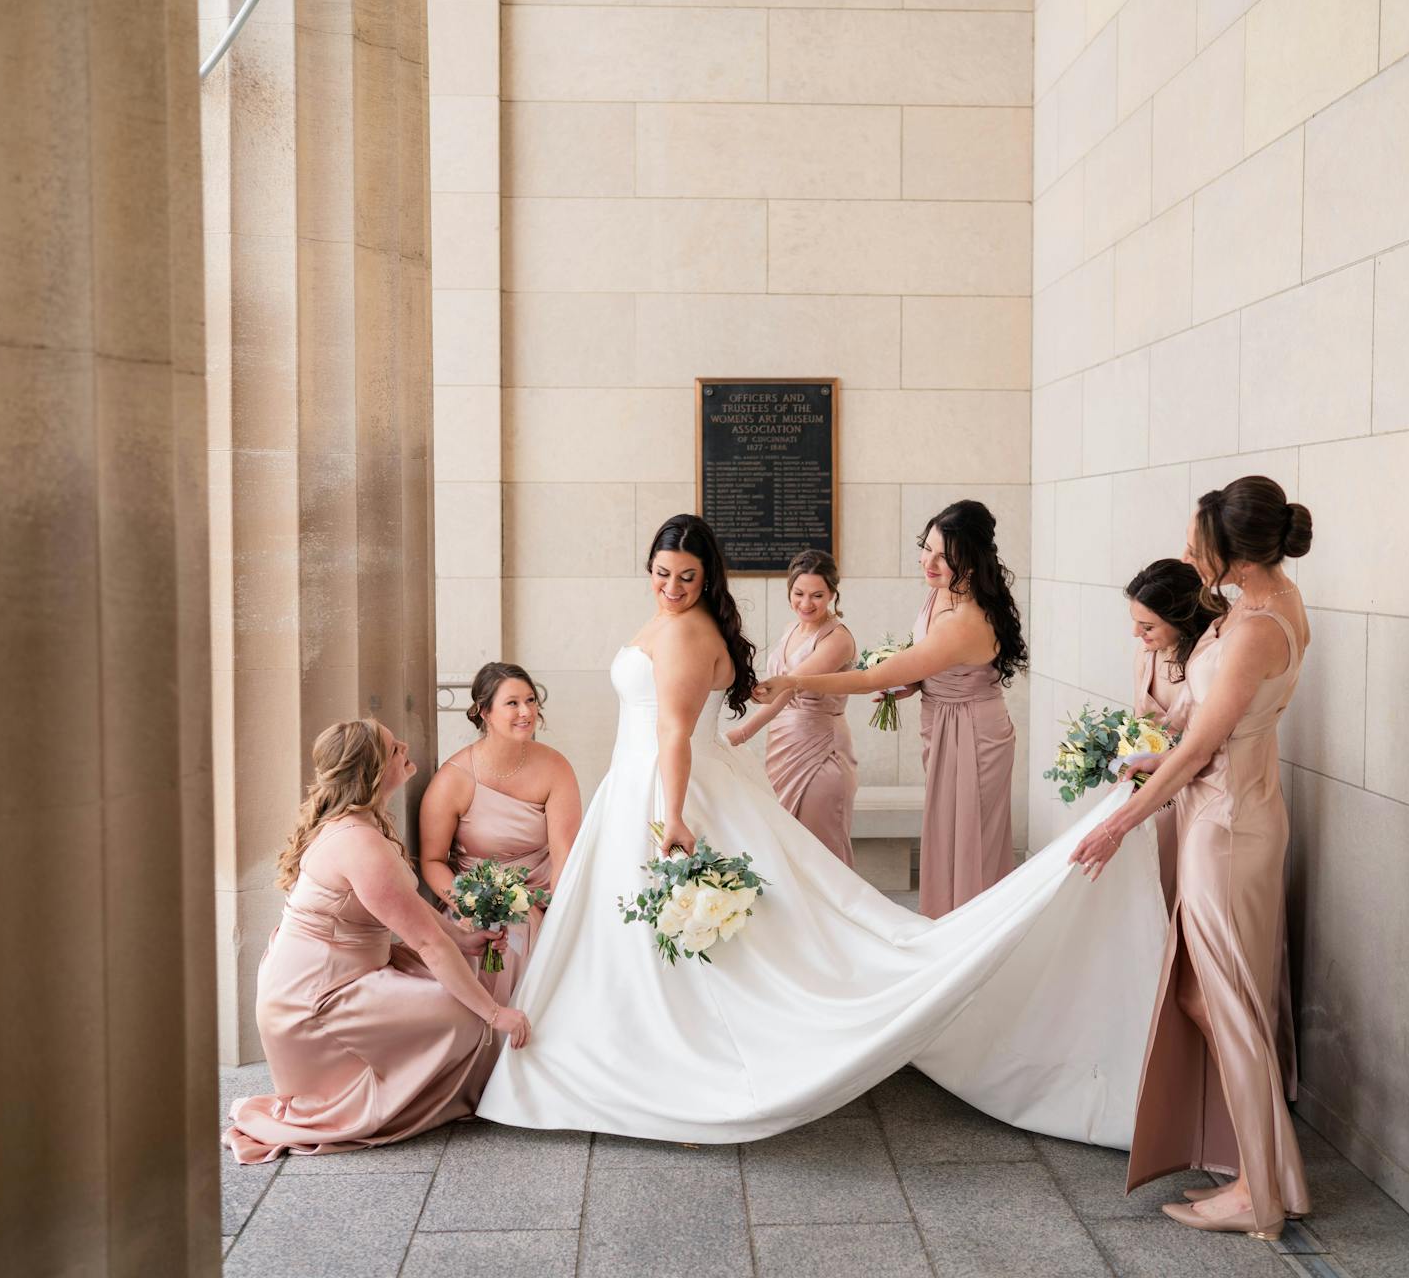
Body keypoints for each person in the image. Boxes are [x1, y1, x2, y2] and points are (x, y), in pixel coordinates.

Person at [475, 514, 1166, 1146]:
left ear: (707, 577)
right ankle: (630, 1035)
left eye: (687, 576)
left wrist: (675, 813)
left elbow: (677, 733)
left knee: (743, 924)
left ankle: (675, 1046)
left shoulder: (688, 632)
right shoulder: (667, 618)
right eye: (661, 573)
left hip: (667, 784)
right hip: (639, 783)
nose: (672, 586)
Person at [1070, 477, 1314, 1239]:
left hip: (1226, 826)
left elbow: (1207, 744)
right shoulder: (1264, 605)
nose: (1185, 554)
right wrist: (1159, 762)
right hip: (1232, 811)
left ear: (1234, 555)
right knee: (1211, 1000)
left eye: (1195, 544)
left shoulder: (1254, 630)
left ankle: (1258, 1197)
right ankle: (1272, 1180)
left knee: (1228, 1009)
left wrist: (1119, 826)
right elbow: (1208, 734)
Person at [224, 719, 531, 1163]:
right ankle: (381, 1103)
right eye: (392, 748)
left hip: (347, 973)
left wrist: (464, 938)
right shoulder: (359, 843)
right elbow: (425, 942)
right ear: (370, 770)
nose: (404, 745)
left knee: (463, 992)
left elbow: (409, 907)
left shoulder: (364, 824)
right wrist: (494, 1012)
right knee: (465, 1014)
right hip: (316, 1001)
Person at [755, 500, 1025, 918]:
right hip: (945, 723)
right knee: (947, 838)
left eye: (944, 557)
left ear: (970, 561)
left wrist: (794, 680)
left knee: (969, 844)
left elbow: (868, 679)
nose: (929, 563)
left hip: (973, 733)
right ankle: (949, 930)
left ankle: (972, 937)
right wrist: (916, 682)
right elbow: (931, 661)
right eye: (927, 548)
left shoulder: (964, 621)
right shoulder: (940, 592)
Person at [419, 661, 582, 1008]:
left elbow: (565, 850)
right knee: (502, 937)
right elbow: (432, 861)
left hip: (544, 897)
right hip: (474, 903)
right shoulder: (453, 779)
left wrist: (563, 913)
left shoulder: (556, 767)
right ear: (484, 712)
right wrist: (469, 906)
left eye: (531, 700)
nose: (526, 712)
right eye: (512, 703)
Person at [726, 549, 858, 866]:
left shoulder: (837, 639)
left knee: (819, 847)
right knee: (784, 847)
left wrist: (743, 732)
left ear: (833, 594)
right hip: (783, 743)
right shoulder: (791, 629)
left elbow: (790, 686)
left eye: (817, 595)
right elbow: (776, 688)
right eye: (798, 593)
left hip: (821, 748)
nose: (806, 603)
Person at [1123, 558, 1222, 910]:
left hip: (1194, 790)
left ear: (1180, 618)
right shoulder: (1146, 654)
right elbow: (1140, 725)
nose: (1137, 632)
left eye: (1147, 624)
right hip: (1152, 788)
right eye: (1135, 621)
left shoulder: (1210, 660)